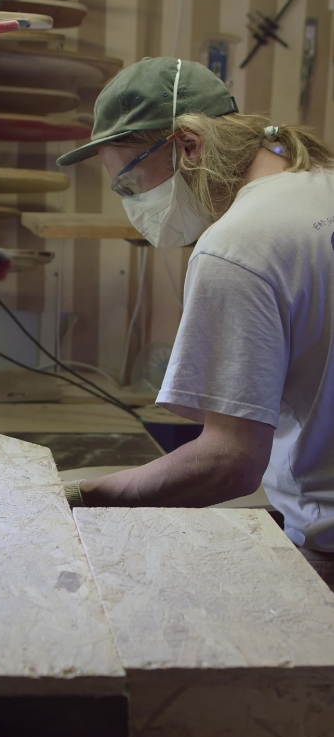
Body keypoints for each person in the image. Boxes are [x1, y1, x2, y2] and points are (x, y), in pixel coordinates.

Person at [56, 56, 334, 587]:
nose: (133, 203)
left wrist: (86, 494)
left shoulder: (237, 245)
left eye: (130, 182)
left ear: (188, 145)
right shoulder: (322, 189)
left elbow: (228, 463)